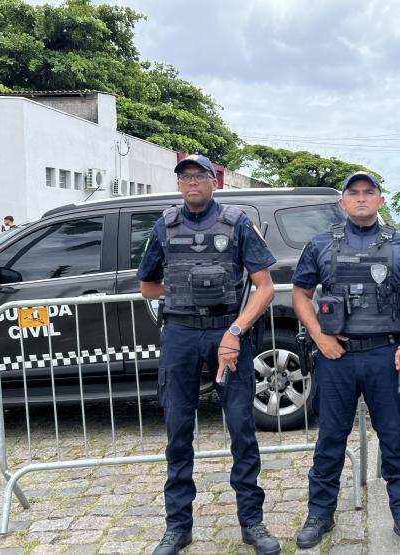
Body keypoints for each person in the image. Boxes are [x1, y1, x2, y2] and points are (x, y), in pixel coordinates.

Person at [138, 154, 281, 555]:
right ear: (180, 185)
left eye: (200, 176)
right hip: (180, 334)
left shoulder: (237, 224)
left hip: (227, 333)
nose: (193, 183)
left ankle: (252, 523)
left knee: (242, 431)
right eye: (186, 177)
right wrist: (186, 290)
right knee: (178, 433)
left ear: (213, 182)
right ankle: (177, 527)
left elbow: (265, 287)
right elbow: (148, 287)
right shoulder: (164, 227)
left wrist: (235, 330)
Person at [292, 171, 400, 554]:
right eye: (352, 193)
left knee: (394, 438)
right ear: (342, 202)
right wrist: (320, 337)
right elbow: (301, 295)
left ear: (381, 200)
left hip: (384, 356)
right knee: (330, 440)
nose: (360, 198)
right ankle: (320, 514)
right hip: (336, 357)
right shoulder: (320, 245)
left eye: (368, 192)